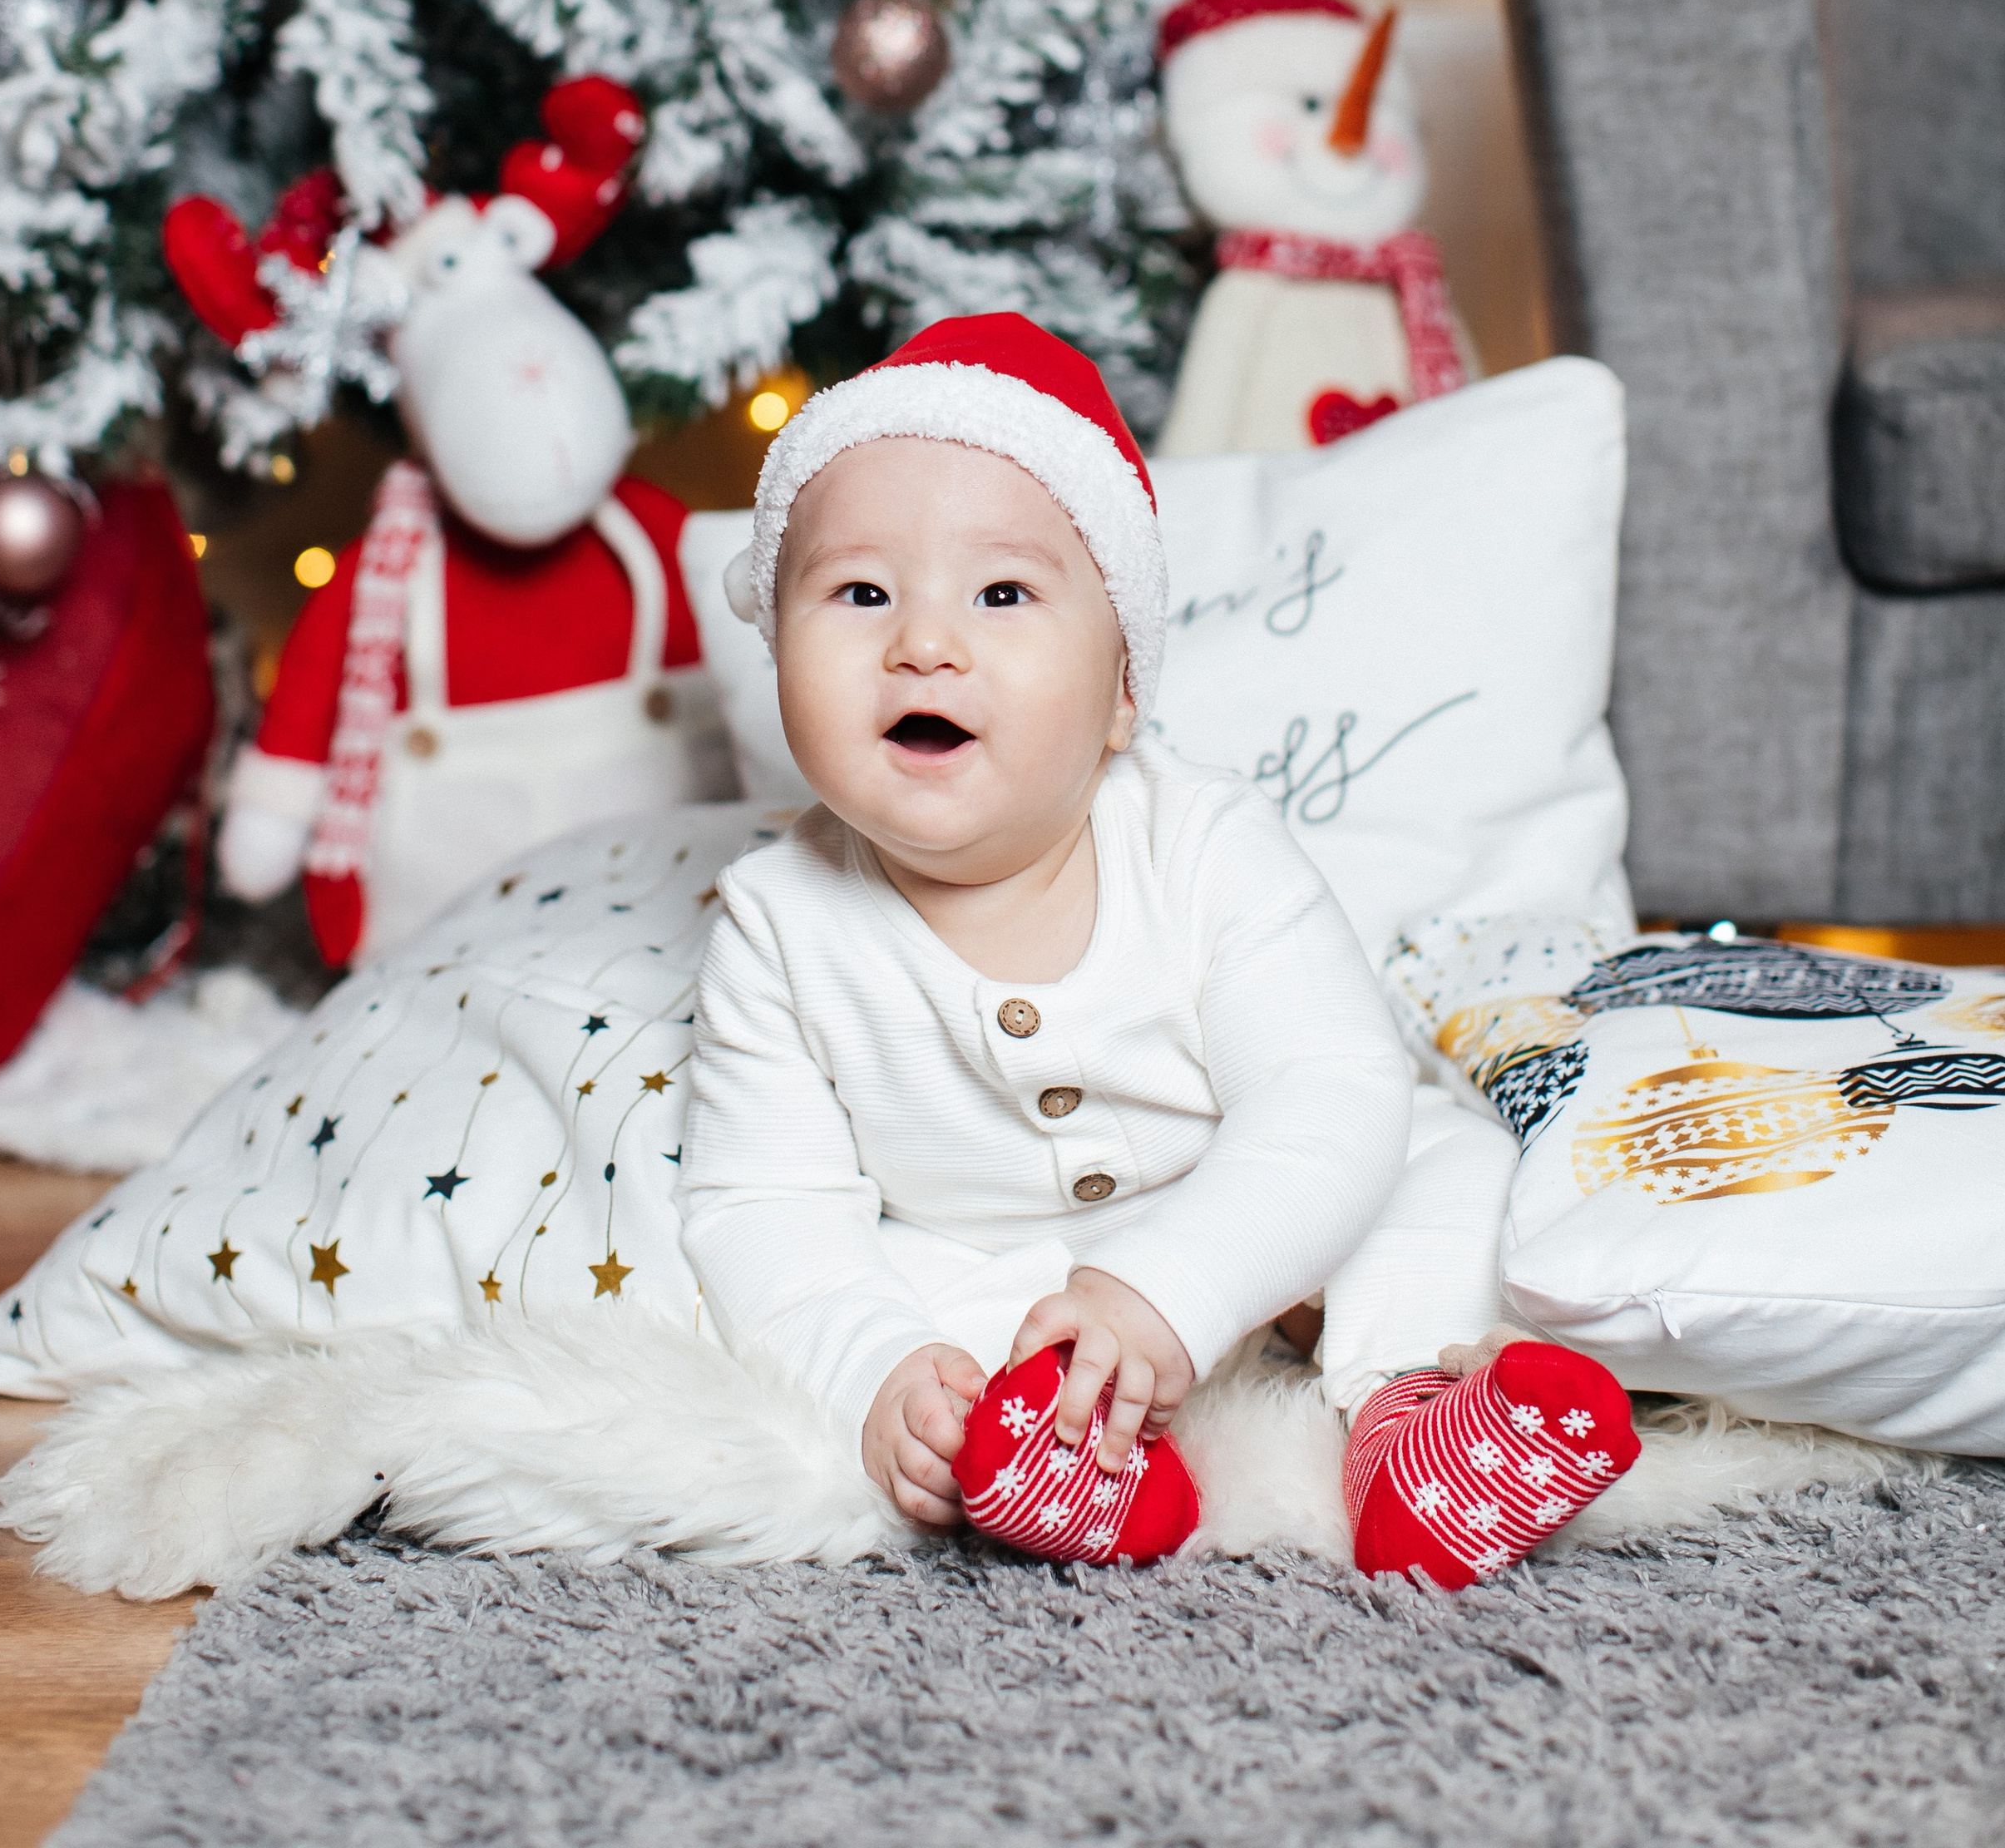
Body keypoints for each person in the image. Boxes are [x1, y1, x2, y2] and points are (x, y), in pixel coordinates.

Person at [680, 313, 1636, 1580]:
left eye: (1003, 594)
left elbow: (1327, 1096)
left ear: (1125, 691)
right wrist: (874, 1371)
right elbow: (764, 1210)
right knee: (924, 1309)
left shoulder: (1203, 846)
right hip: (1009, 1273)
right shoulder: (777, 922)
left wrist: (1173, 1289)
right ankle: (1075, 1462)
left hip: (1277, 1206)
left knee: (1443, 1170)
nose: (922, 642)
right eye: (860, 593)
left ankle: (1409, 1415)